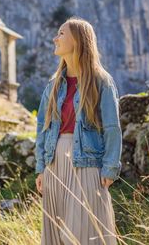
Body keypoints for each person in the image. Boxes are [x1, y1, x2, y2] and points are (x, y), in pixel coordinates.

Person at [34, 16, 122, 245]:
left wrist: (110, 167)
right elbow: (42, 128)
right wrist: (41, 168)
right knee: (56, 238)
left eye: (61, 33)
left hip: (87, 165)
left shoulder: (101, 81)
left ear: (78, 40)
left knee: (85, 235)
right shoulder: (52, 85)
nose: (55, 38)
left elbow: (112, 128)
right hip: (54, 165)